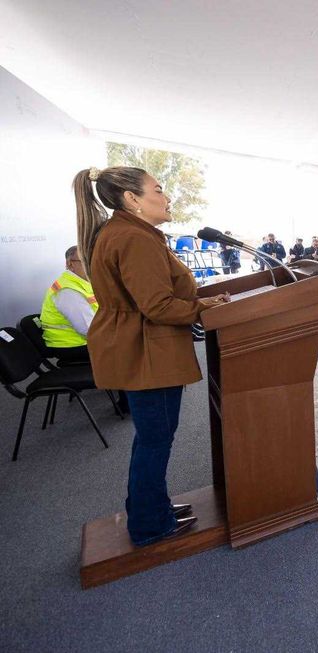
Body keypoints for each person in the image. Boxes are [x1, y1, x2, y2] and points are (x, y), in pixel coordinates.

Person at [74, 166, 229, 546]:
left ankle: (152, 509)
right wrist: (202, 307)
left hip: (143, 349)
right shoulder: (134, 238)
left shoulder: (130, 232)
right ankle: (148, 524)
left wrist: (200, 300)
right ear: (132, 199)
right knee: (155, 439)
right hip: (147, 353)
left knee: (152, 438)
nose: (167, 196)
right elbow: (157, 306)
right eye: (158, 189)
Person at [39, 246, 98, 364]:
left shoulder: (83, 283)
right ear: (71, 264)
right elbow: (89, 330)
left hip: (81, 341)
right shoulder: (68, 291)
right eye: (86, 261)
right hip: (72, 345)